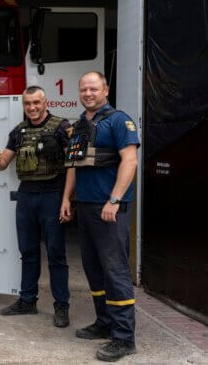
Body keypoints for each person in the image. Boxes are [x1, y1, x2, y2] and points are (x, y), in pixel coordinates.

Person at [62, 71, 139, 362]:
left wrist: (114, 200)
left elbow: (130, 161)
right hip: (86, 206)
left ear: (105, 90)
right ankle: (104, 323)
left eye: (93, 88)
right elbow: (74, 164)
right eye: (84, 89)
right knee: (93, 268)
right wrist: (66, 200)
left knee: (115, 270)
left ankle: (124, 338)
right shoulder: (81, 124)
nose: (88, 93)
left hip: (110, 209)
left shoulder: (120, 120)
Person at [0, 85, 74, 328]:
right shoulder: (18, 131)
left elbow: (73, 165)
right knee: (27, 251)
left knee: (56, 253)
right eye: (28, 104)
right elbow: (4, 162)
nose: (32, 108)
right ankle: (27, 300)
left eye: (36, 103)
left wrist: (67, 199)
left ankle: (61, 306)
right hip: (27, 194)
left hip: (52, 194)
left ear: (45, 103)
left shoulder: (61, 127)